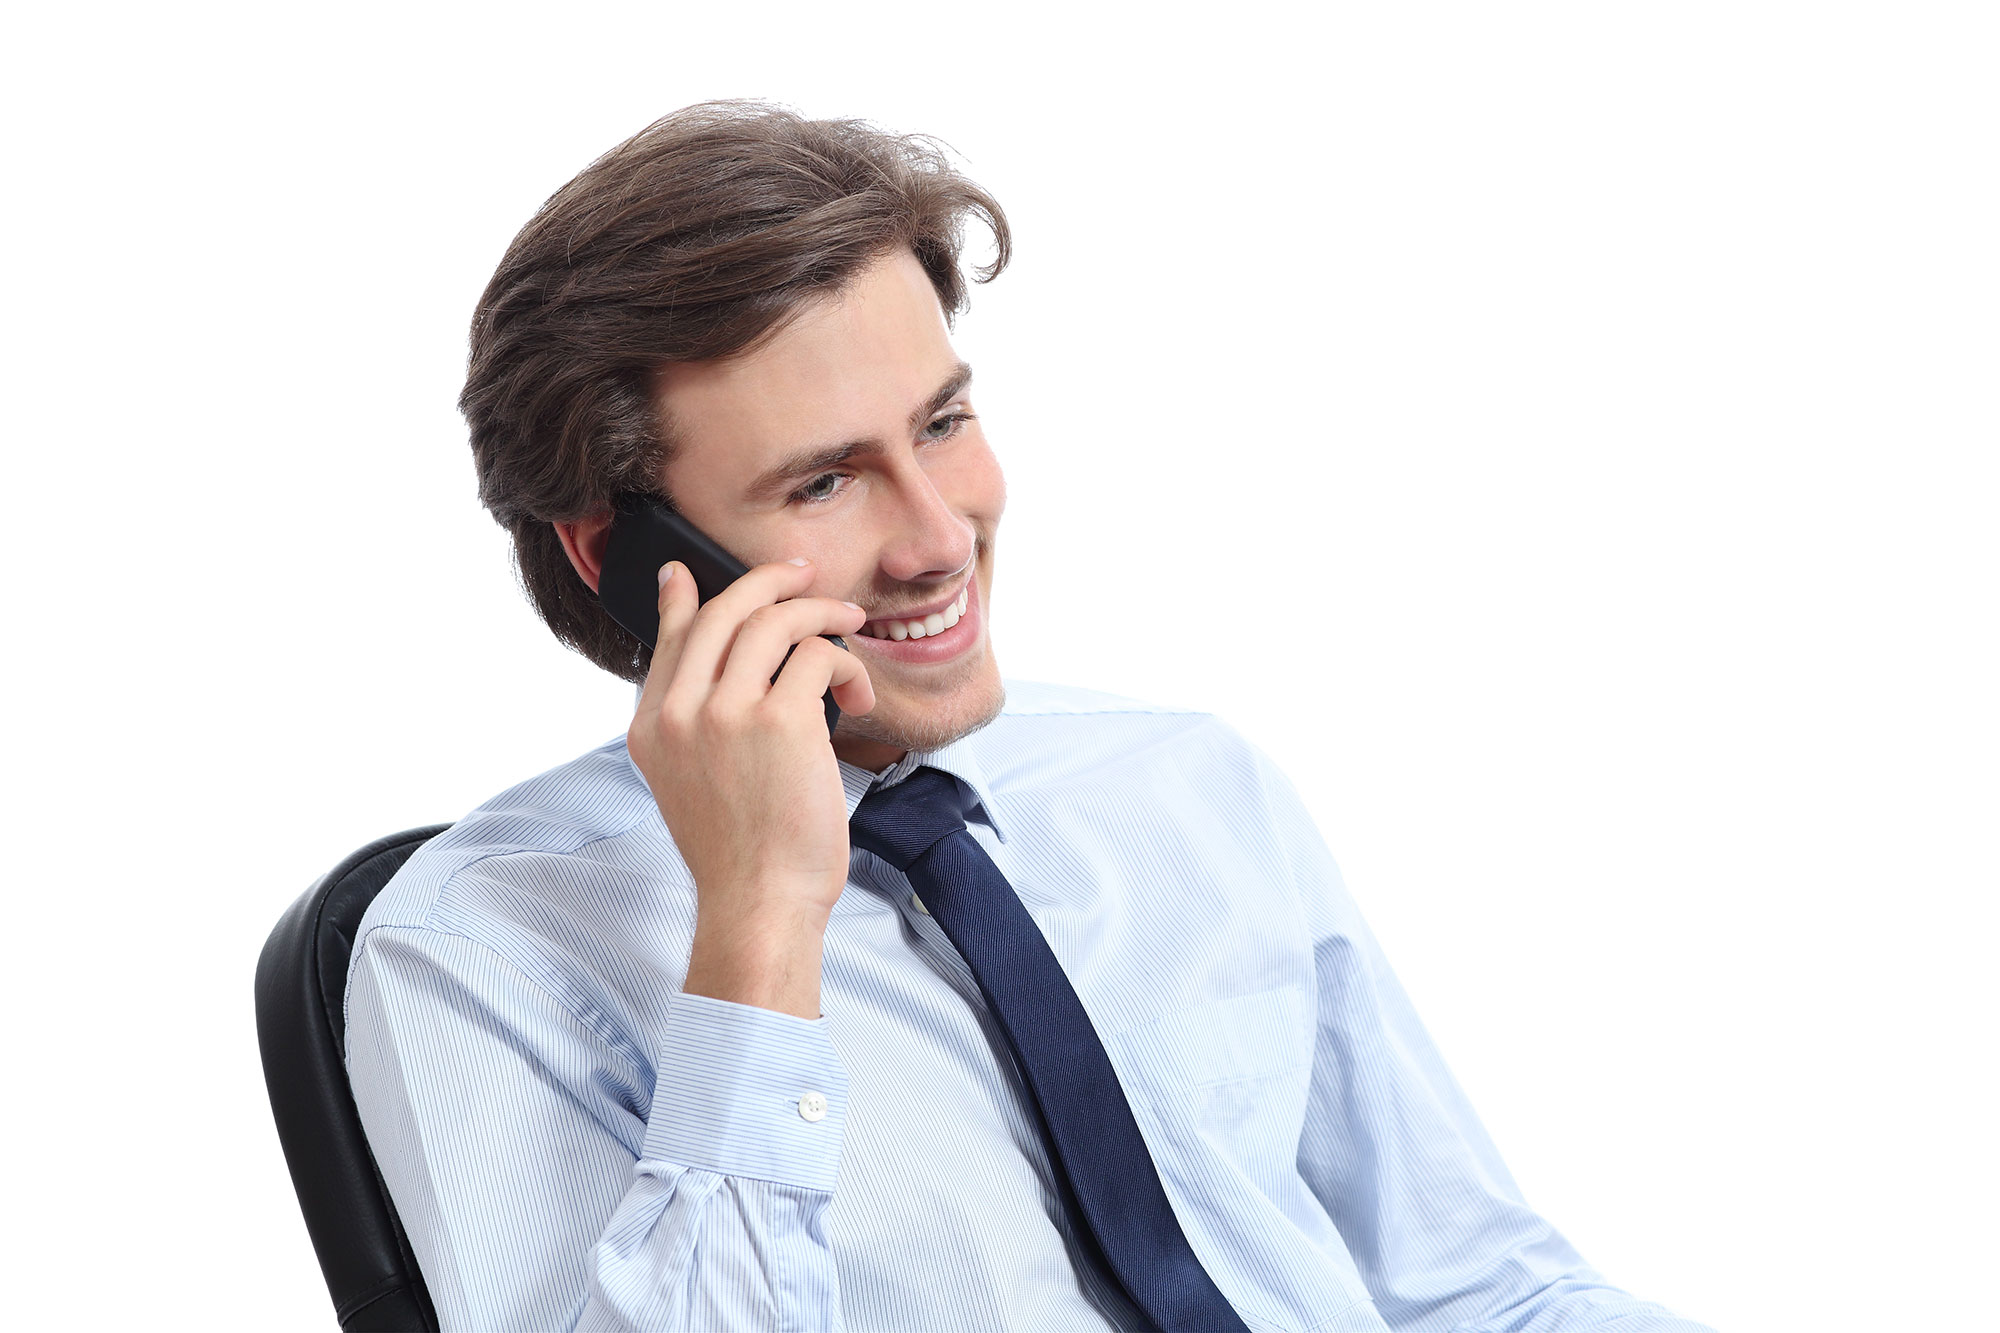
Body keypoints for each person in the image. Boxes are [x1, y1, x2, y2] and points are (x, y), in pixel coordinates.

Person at [343, 99, 1715, 1332]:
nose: (941, 537)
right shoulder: (484, 949)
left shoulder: (1180, 783)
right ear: (624, 556)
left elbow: (1479, 1291)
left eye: (942, 423)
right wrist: (759, 923)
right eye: (824, 484)